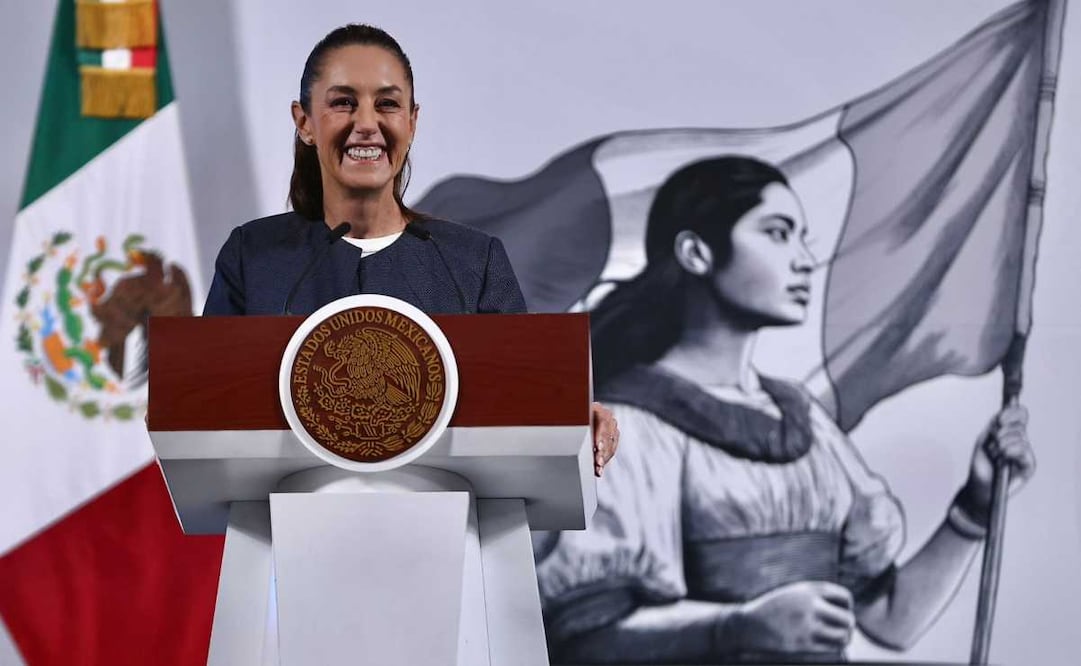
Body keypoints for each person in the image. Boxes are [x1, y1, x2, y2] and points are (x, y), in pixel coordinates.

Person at [534, 156, 1036, 663]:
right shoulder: (631, 426)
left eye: (802, 238)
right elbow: (585, 640)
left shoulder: (807, 422)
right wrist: (737, 627)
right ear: (695, 252)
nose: (802, 260)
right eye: (777, 233)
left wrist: (974, 506)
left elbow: (889, 619)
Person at [201, 24, 618, 473]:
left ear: (412, 121)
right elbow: (206, 398)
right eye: (343, 103)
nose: (366, 124)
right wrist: (180, 409)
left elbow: (523, 398)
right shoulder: (253, 256)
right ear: (304, 122)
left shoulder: (473, 261)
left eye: (387, 104)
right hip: (284, 525)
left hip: (448, 525)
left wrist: (573, 419)